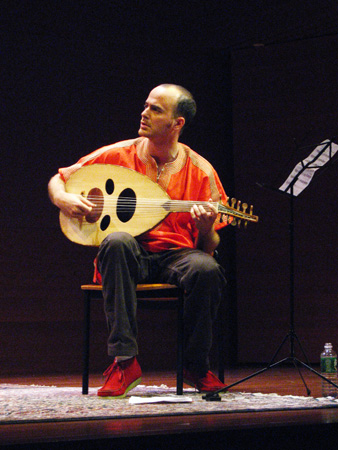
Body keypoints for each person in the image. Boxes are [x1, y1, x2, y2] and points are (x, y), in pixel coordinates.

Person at [48, 84, 229, 398]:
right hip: (129, 255)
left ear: (177, 124)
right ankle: (125, 363)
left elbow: (207, 247)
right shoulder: (118, 154)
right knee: (116, 241)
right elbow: (60, 177)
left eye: (156, 109)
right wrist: (62, 198)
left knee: (209, 269)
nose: (144, 113)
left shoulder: (201, 171)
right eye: (146, 106)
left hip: (177, 256)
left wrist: (206, 226)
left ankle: (196, 365)